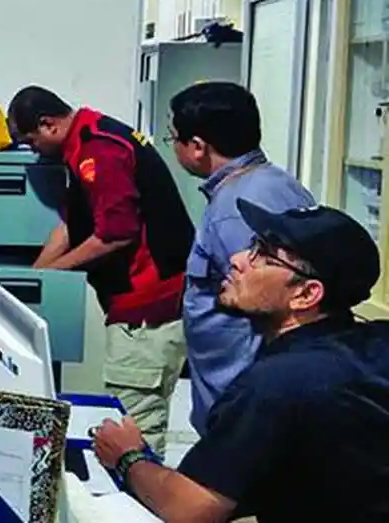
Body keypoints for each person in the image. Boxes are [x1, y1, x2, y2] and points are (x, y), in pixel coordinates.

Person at [92, 200, 389, 523]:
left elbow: (191, 508)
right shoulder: (371, 344)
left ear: (306, 295)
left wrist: (127, 456)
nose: (236, 259)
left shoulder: (278, 382)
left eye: (263, 254)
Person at [7, 87, 193, 455]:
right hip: (133, 304)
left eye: (31, 142)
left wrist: (54, 274)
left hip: (147, 311)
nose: (33, 152)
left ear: (48, 125)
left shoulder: (100, 150)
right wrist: (34, 278)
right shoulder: (83, 141)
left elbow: (114, 234)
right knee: (125, 421)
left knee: (133, 429)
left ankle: (139, 507)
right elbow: (70, 228)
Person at [167, 81, 314, 433]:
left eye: (173, 137)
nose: (172, 146)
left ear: (198, 146)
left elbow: (270, 302)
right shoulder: (273, 182)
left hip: (240, 399)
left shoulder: (236, 208)